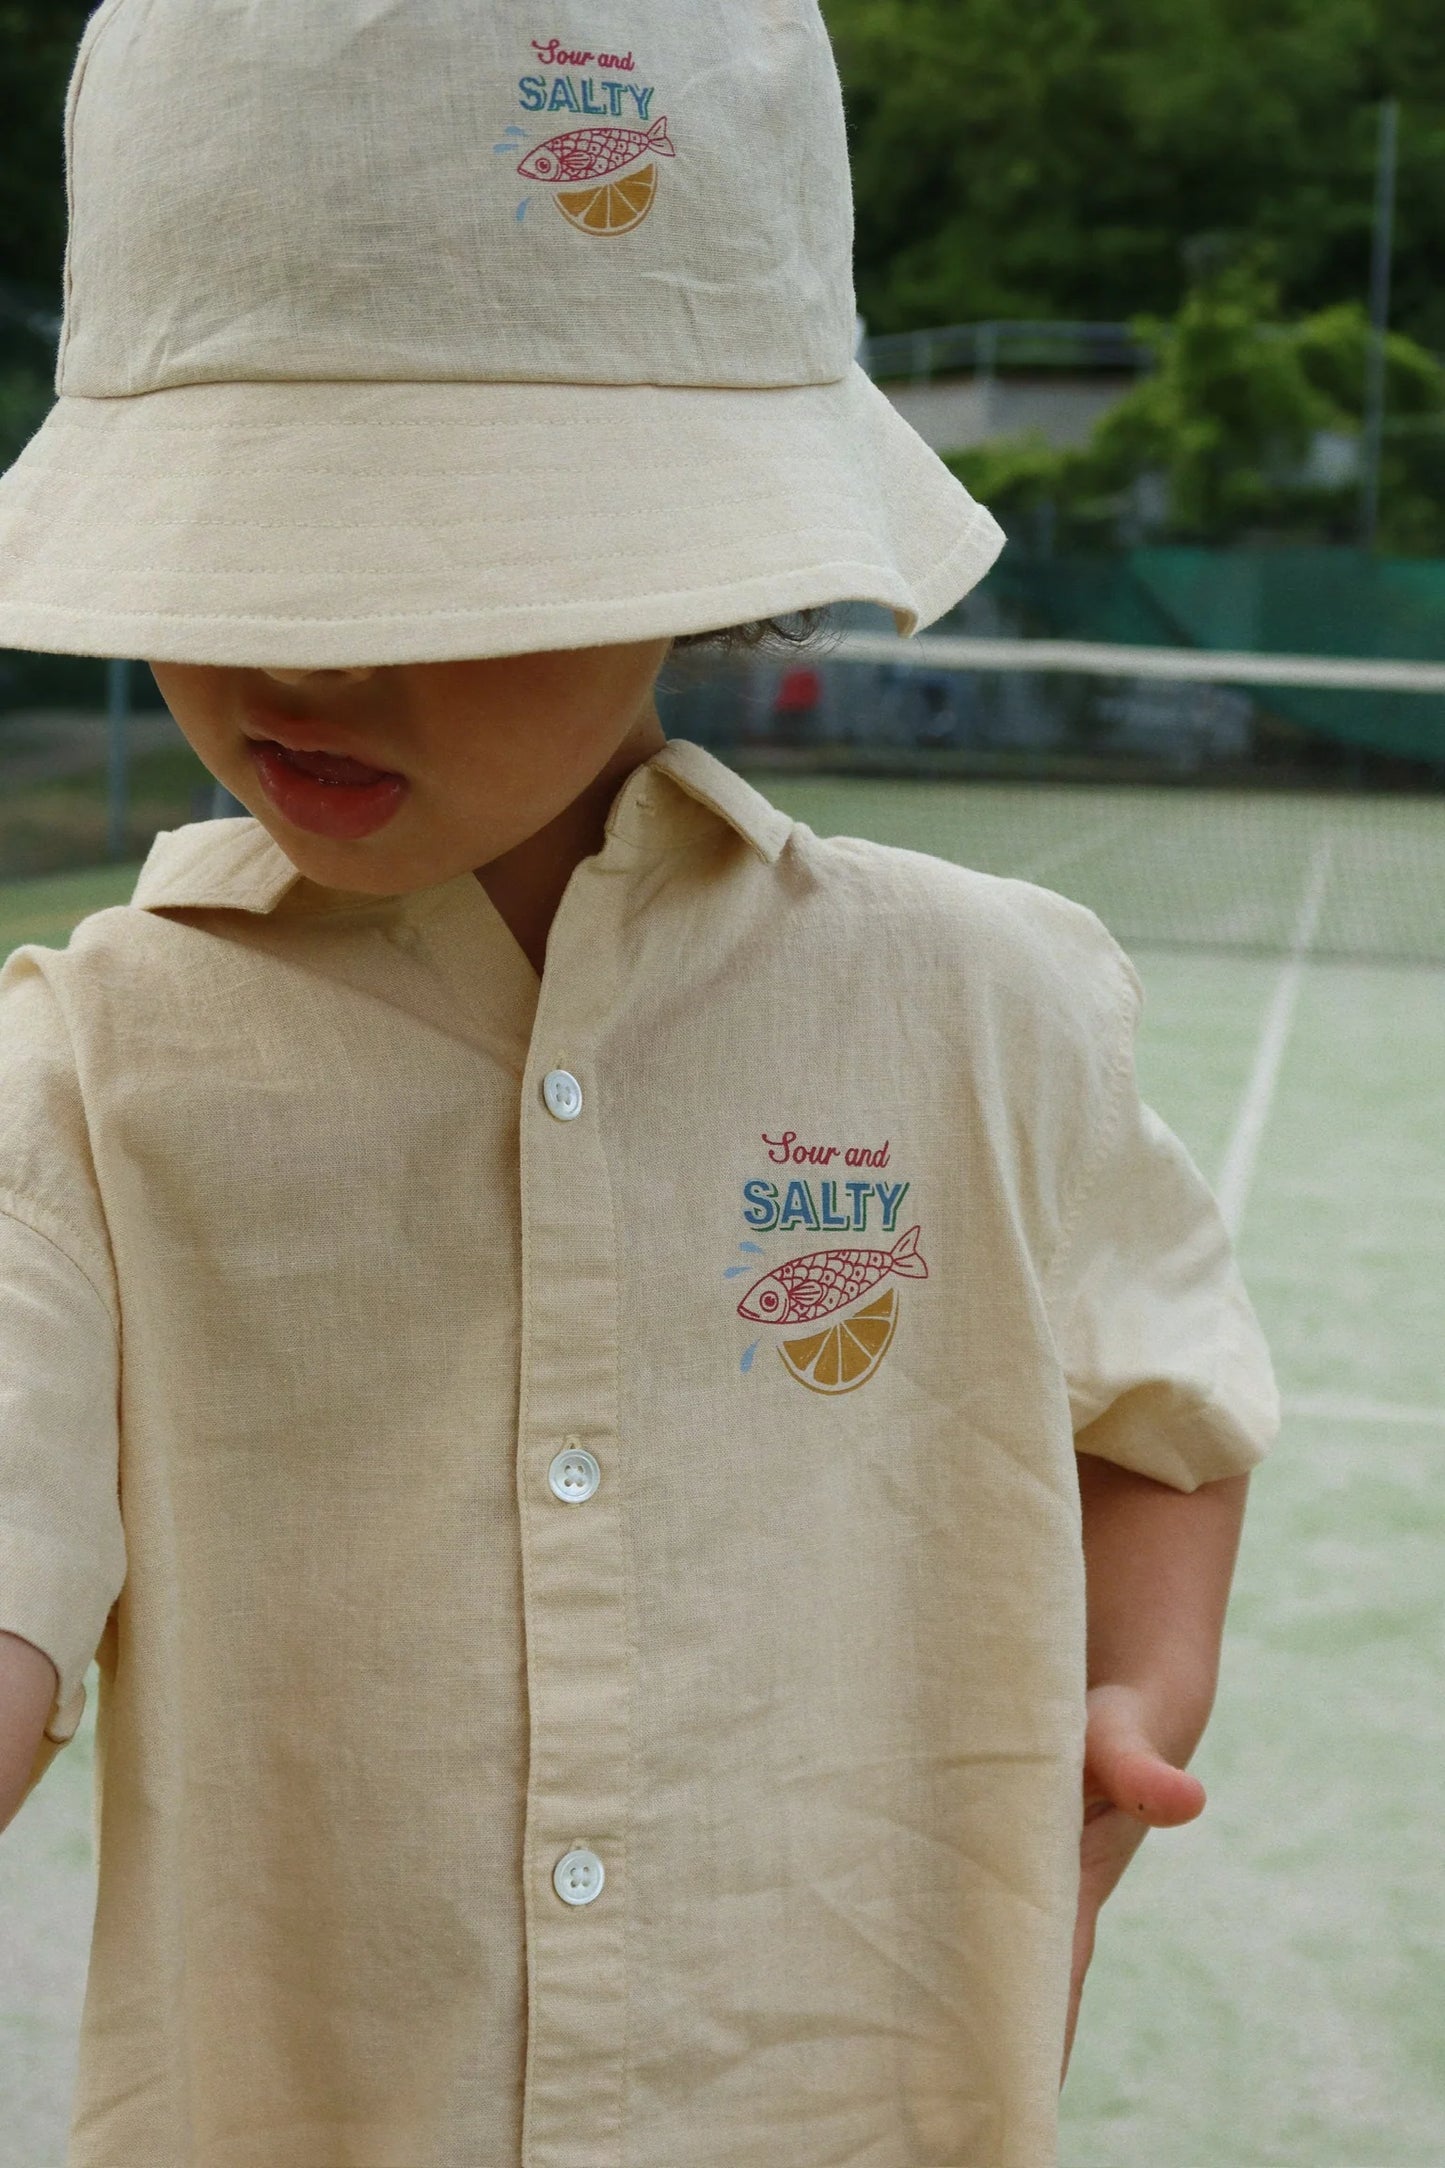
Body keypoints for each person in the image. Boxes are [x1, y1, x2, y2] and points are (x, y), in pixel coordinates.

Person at [0, 4, 1278, 2163]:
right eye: (252, 537)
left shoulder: (982, 1007)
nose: (304, 648)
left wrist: (1131, 1698)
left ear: (695, 558)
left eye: (433, 551)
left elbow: (1164, 1412)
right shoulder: (92, 1070)